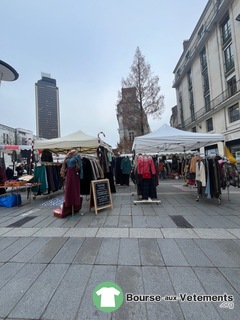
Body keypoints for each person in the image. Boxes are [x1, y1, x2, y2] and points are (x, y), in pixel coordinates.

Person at [60, 149, 83, 215]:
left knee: (74, 189)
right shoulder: (67, 156)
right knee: (68, 189)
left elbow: (80, 166)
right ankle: (69, 204)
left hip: (74, 174)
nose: (71, 152)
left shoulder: (77, 156)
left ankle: (75, 204)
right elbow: (64, 165)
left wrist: (81, 176)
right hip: (68, 174)